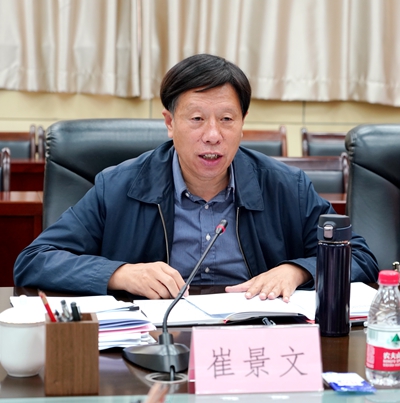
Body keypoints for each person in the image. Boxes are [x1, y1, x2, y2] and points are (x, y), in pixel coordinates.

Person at [13, 54, 379, 301]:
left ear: (242, 124)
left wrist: (297, 271)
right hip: (154, 343)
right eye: (197, 119)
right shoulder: (119, 186)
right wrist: (120, 274)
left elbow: (360, 257)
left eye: (226, 119)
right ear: (170, 123)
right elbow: (34, 260)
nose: (213, 135)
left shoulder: (285, 186)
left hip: (253, 338)